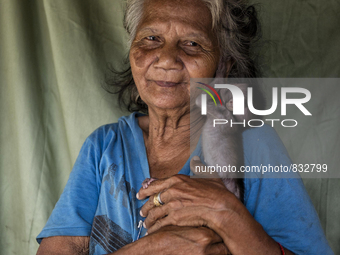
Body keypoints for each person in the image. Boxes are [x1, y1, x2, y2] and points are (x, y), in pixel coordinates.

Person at [36, 0, 333, 254]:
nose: (166, 59)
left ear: (223, 67)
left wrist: (228, 214)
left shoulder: (253, 145)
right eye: (151, 38)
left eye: (192, 44)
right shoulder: (104, 146)